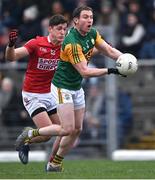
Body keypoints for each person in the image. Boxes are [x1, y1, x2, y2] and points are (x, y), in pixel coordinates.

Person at [15, 6, 126, 172]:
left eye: (91, 17)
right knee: (65, 129)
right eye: (86, 17)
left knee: (76, 129)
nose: (90, 20)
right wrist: (111, 70)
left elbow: (108, 50)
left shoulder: (93, 34)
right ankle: (28, 135)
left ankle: (54, 163)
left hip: (76, 87)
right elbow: (85, 72)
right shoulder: (71, 42)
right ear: (76, 20)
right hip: (62, 87)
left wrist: (125, 59)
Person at [5, 15, 68, 167]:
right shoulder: (36, 43)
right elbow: (11, 57)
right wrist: (11, 45)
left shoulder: (64, 46)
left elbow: (85, 53)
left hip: (50, 93)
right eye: (59, 29)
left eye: (65, 29)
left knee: (64, 130)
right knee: (47, 134)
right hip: (32, 95)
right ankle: (27, 137)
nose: (62, 32)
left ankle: (52, 163)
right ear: (50, 29)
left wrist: (104, 47)